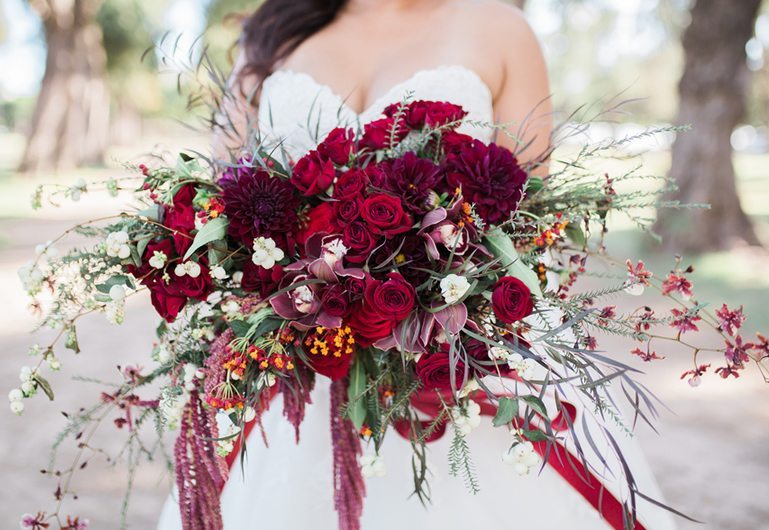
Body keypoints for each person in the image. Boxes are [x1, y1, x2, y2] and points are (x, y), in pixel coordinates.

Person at [160, 1, 677, 528]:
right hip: (295, 359)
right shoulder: (272, 33)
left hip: (457, 365)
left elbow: (526, 213)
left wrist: (430, 287)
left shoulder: (501, 29)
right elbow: (221, 200)